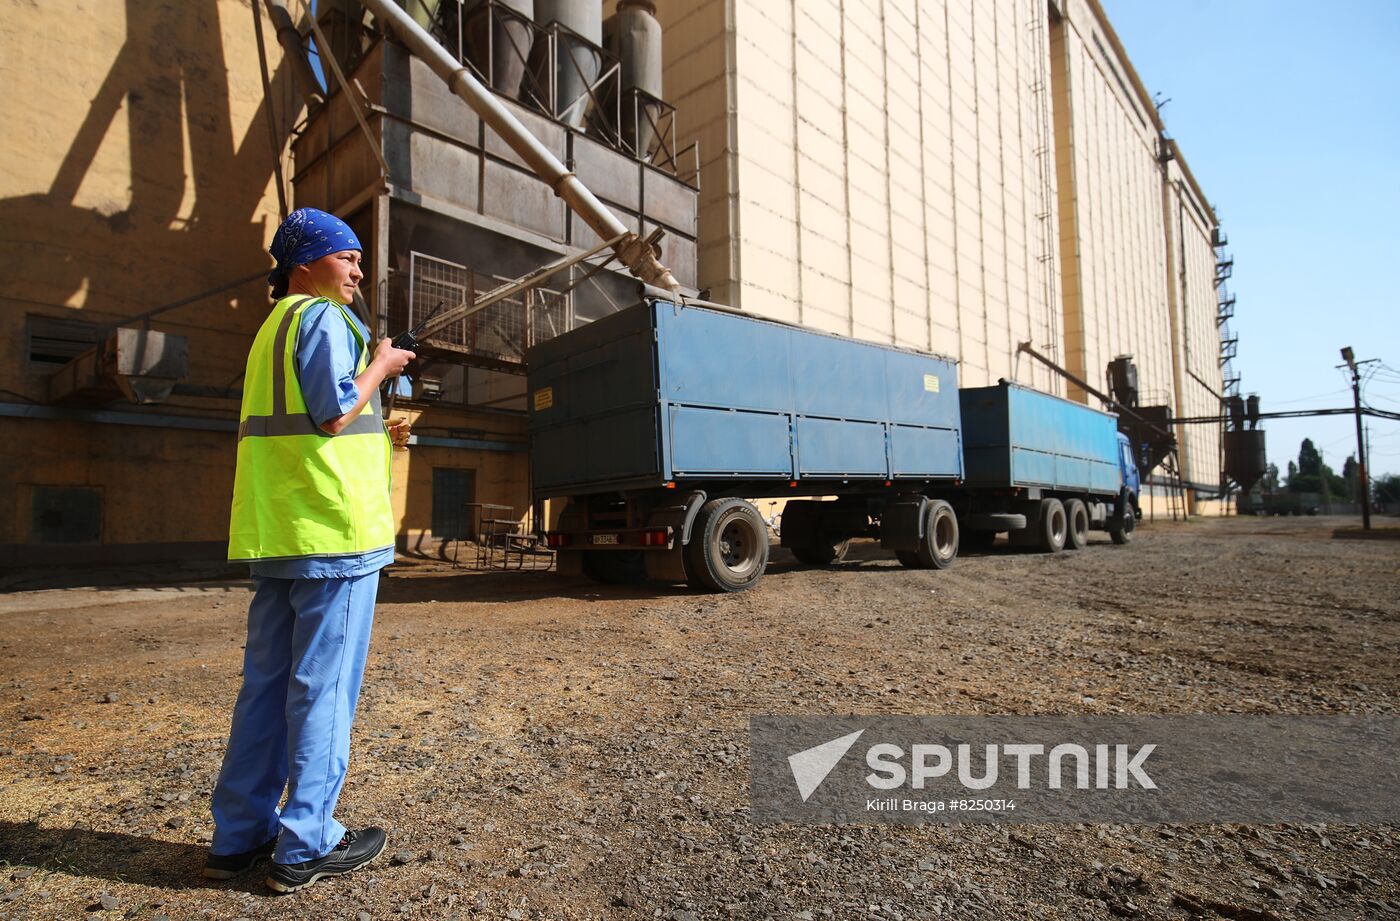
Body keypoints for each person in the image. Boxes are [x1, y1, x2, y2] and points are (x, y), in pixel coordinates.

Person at [205, 208, 415, 893]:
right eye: (346, 257)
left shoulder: (272, 329)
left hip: (282, 532)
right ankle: (307, 843)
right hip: (335, 534)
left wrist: (380, 414)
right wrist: (381, 364)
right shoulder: (322, 319)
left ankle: (239, 836)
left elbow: (309, 420)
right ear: (305, 264)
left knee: (264, 690)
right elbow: (331, 410)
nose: (357, 269)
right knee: (322, 688)